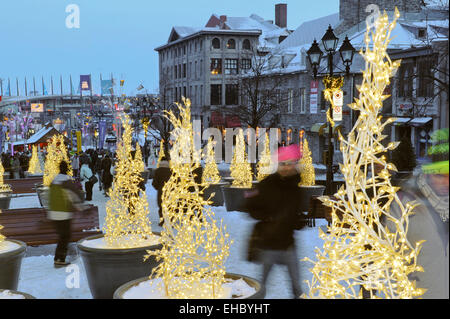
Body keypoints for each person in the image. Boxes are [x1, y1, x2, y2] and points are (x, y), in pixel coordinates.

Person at [388, 132, 449, 299]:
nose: (446, 182)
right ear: (428, 173)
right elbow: (387, 261)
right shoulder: (404, 206)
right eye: (440, 175)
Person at [244, 144, 303, 298]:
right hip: (268, 246)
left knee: (297, 287)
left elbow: (294, 212)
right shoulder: (266, 185)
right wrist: (266, 217)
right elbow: (249, 206)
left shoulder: (296, 187)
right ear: (278, 165)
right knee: (260, 287)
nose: (287, 167)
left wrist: (298, 221)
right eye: (283, 164)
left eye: (291, 163)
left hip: (288, 245)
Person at [48, 160, 84, 267]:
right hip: (63, 213)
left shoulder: (53, 181)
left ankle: (58, 257)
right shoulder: (67, 182)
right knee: (65, 236)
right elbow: (75, 196)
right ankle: (60, 259)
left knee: (62, 236)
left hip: (53, 213)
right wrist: (82, 208)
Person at [152, 155, 171, 226]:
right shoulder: (171, 171)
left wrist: (159, 187)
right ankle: (169, 220)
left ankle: (162, 220)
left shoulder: (157, 171)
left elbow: (154, 183)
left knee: (161, 206)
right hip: (169, 191)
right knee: (169, 206)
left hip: (161, 191)